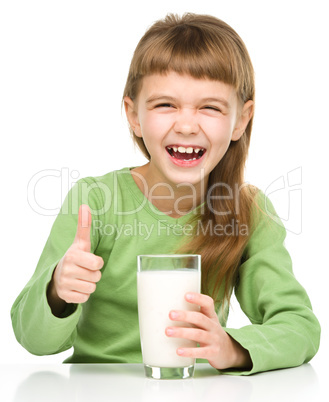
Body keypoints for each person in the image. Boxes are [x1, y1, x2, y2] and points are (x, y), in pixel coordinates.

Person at [11, 13, 320, 375]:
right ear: (134, 115)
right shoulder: (95, 200)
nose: (187, 125)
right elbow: (32, 338)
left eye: (210, 107)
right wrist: (58, 290)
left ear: (241, 120)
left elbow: (300, 327)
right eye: (165, 105)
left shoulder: (247, 211)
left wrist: (232, 348)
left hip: (197, 388)